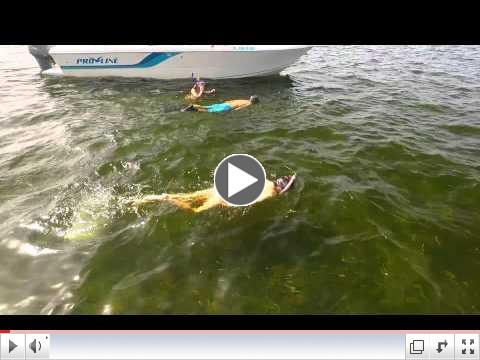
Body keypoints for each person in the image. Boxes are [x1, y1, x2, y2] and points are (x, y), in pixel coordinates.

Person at [133, 174, 295, 213]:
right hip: (222, 197)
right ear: (282, 189)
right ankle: (166, 198)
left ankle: (142, 199)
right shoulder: (271, 193)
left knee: (188, 196)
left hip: (219, 190)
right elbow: (249, 201)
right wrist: (227, 204)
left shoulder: (265, 180)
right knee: (195, 211)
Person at [182, 95, 259, 113]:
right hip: (227, 107)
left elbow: (234, 100)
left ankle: (193, 106)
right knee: (210, 111)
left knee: (208, 107)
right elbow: (240, 108)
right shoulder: (249, 104)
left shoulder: (245, 100)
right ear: (254, 102)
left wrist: (226, 102)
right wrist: (233, 111)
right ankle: (193, 110)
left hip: (225, 104)